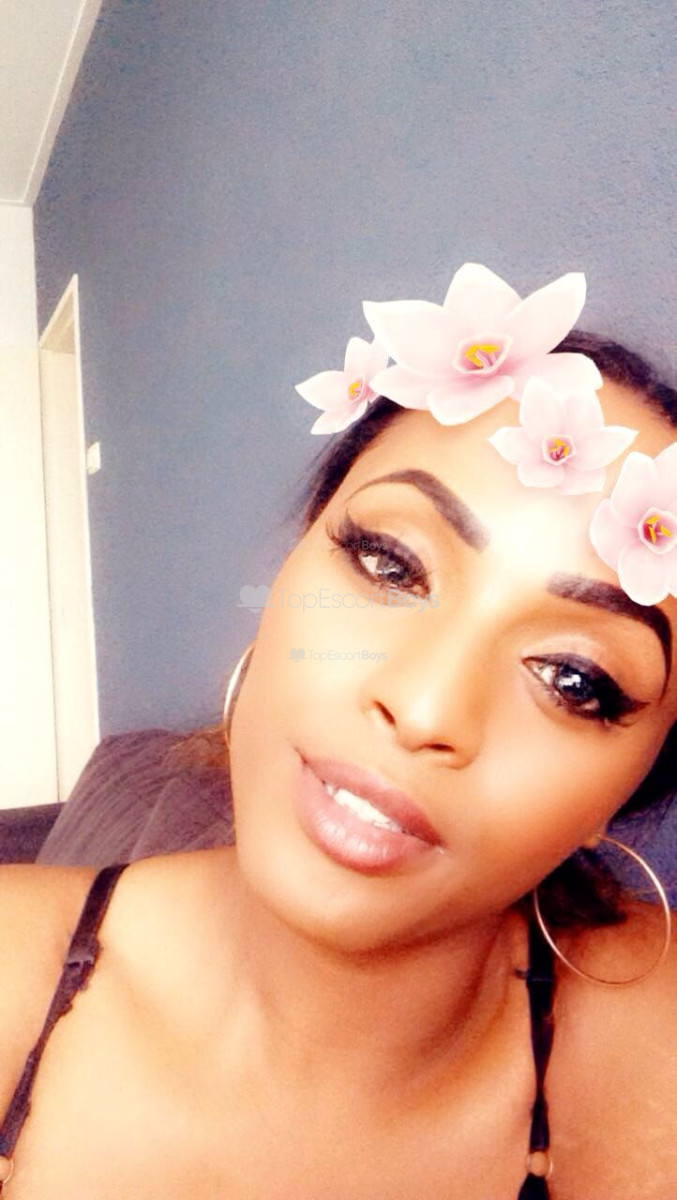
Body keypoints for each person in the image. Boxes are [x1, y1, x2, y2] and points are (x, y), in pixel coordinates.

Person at [0, 263, 676, 1199]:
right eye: (389, 564)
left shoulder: (645, 1024)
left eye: (574, 681)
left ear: (631, 785)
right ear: (287, 571)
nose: (426, 709)